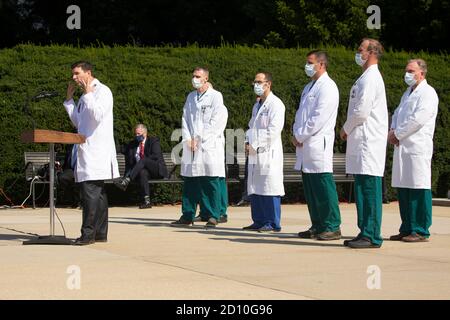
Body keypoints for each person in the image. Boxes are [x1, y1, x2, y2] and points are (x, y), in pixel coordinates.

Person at [64, 61, 119, 245]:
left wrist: (88, 95)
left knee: (90, 194)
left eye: (77, 73)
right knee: (99, 194)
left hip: (97, 152)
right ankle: (100, 234)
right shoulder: (84, 97)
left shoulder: (103, 91)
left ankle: (88, 235)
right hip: (87, 151)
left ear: (88, 72)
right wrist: (70, 101)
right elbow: (79, 123)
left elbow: (97, 116)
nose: (74, 77)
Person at [340, 38, 388, 249]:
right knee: (362, 188)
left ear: (371, 53)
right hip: (362, 141)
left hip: (368, 141)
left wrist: (345, 128)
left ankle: (372, 235)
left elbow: (361, 111)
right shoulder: (365, 77)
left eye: (361, 50)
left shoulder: (371, 78)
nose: (358, 53)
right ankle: (365, 231)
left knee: (369, 189)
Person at [293, 50, 342, 240]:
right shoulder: (308, 87)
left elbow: (318, 117)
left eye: (310, 62)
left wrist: (301, 135)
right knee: (311, 187)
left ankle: (332, 225)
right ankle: (318, 224)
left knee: (323, 185)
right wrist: (296, 134)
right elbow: (300, 115)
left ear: (321, 64)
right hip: (305, 144)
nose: (307, 65)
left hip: (317, 143)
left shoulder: (328, 87)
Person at [388, 59, 439, 242]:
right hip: (402, 146)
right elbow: (397, 114)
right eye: (406, 70)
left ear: (422, 73)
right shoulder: (407, 93)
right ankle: (407, 227)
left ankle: (420, 230)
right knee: (404, 187)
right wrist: (393, 130)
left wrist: (398, 134)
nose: (407, 74)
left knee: (418, 186)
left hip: (417, 146)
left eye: (411, 71)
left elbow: (418, 119)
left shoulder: (428, 93)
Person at [171, 67, 228, 228]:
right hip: (191, 145)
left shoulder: (216, 97)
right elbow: (185, 119)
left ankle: (213, 215)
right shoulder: (191, 97)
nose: (194, 79)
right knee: (190, 180)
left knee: (210, 180)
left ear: (206, 79)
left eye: (198, 76)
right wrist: (188, 138)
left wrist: (199, 139)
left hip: (208, 145)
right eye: (193, 76)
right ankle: (187, 214)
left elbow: (216, 122)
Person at [243, 72, 285, 232]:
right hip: (254, 152)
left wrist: (256, 145)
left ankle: (273, 223)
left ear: (268, 84)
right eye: (255, 82)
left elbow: (273, 130)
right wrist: (248, 142)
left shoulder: (276, 104)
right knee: (256, 187)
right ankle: (259, 220)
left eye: (259, 82)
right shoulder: (257, 105)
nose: (256, 85)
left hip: (268, 153)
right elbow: (251, 126)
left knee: (269, 187)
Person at [114, 124, 168, 209]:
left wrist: (142, 162)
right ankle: (147, 201)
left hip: (156, 169)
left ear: (145, 133)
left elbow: (155, 156)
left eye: (139, 134)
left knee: (143, 160)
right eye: (136, 134)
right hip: (143, 171)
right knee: (143, 173)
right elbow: (122, 149)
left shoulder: (153, 141)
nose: (137, 136)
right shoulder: (133, 144)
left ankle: (127, 180)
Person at [57, 143, 81, 208]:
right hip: (71, 169)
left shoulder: (86, 144)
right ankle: (70, 200)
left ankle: (80, 201)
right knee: (63, 177)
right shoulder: (70, 144)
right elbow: (67, 158)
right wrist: (60, 165)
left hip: (83, 168)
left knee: (79, 178)